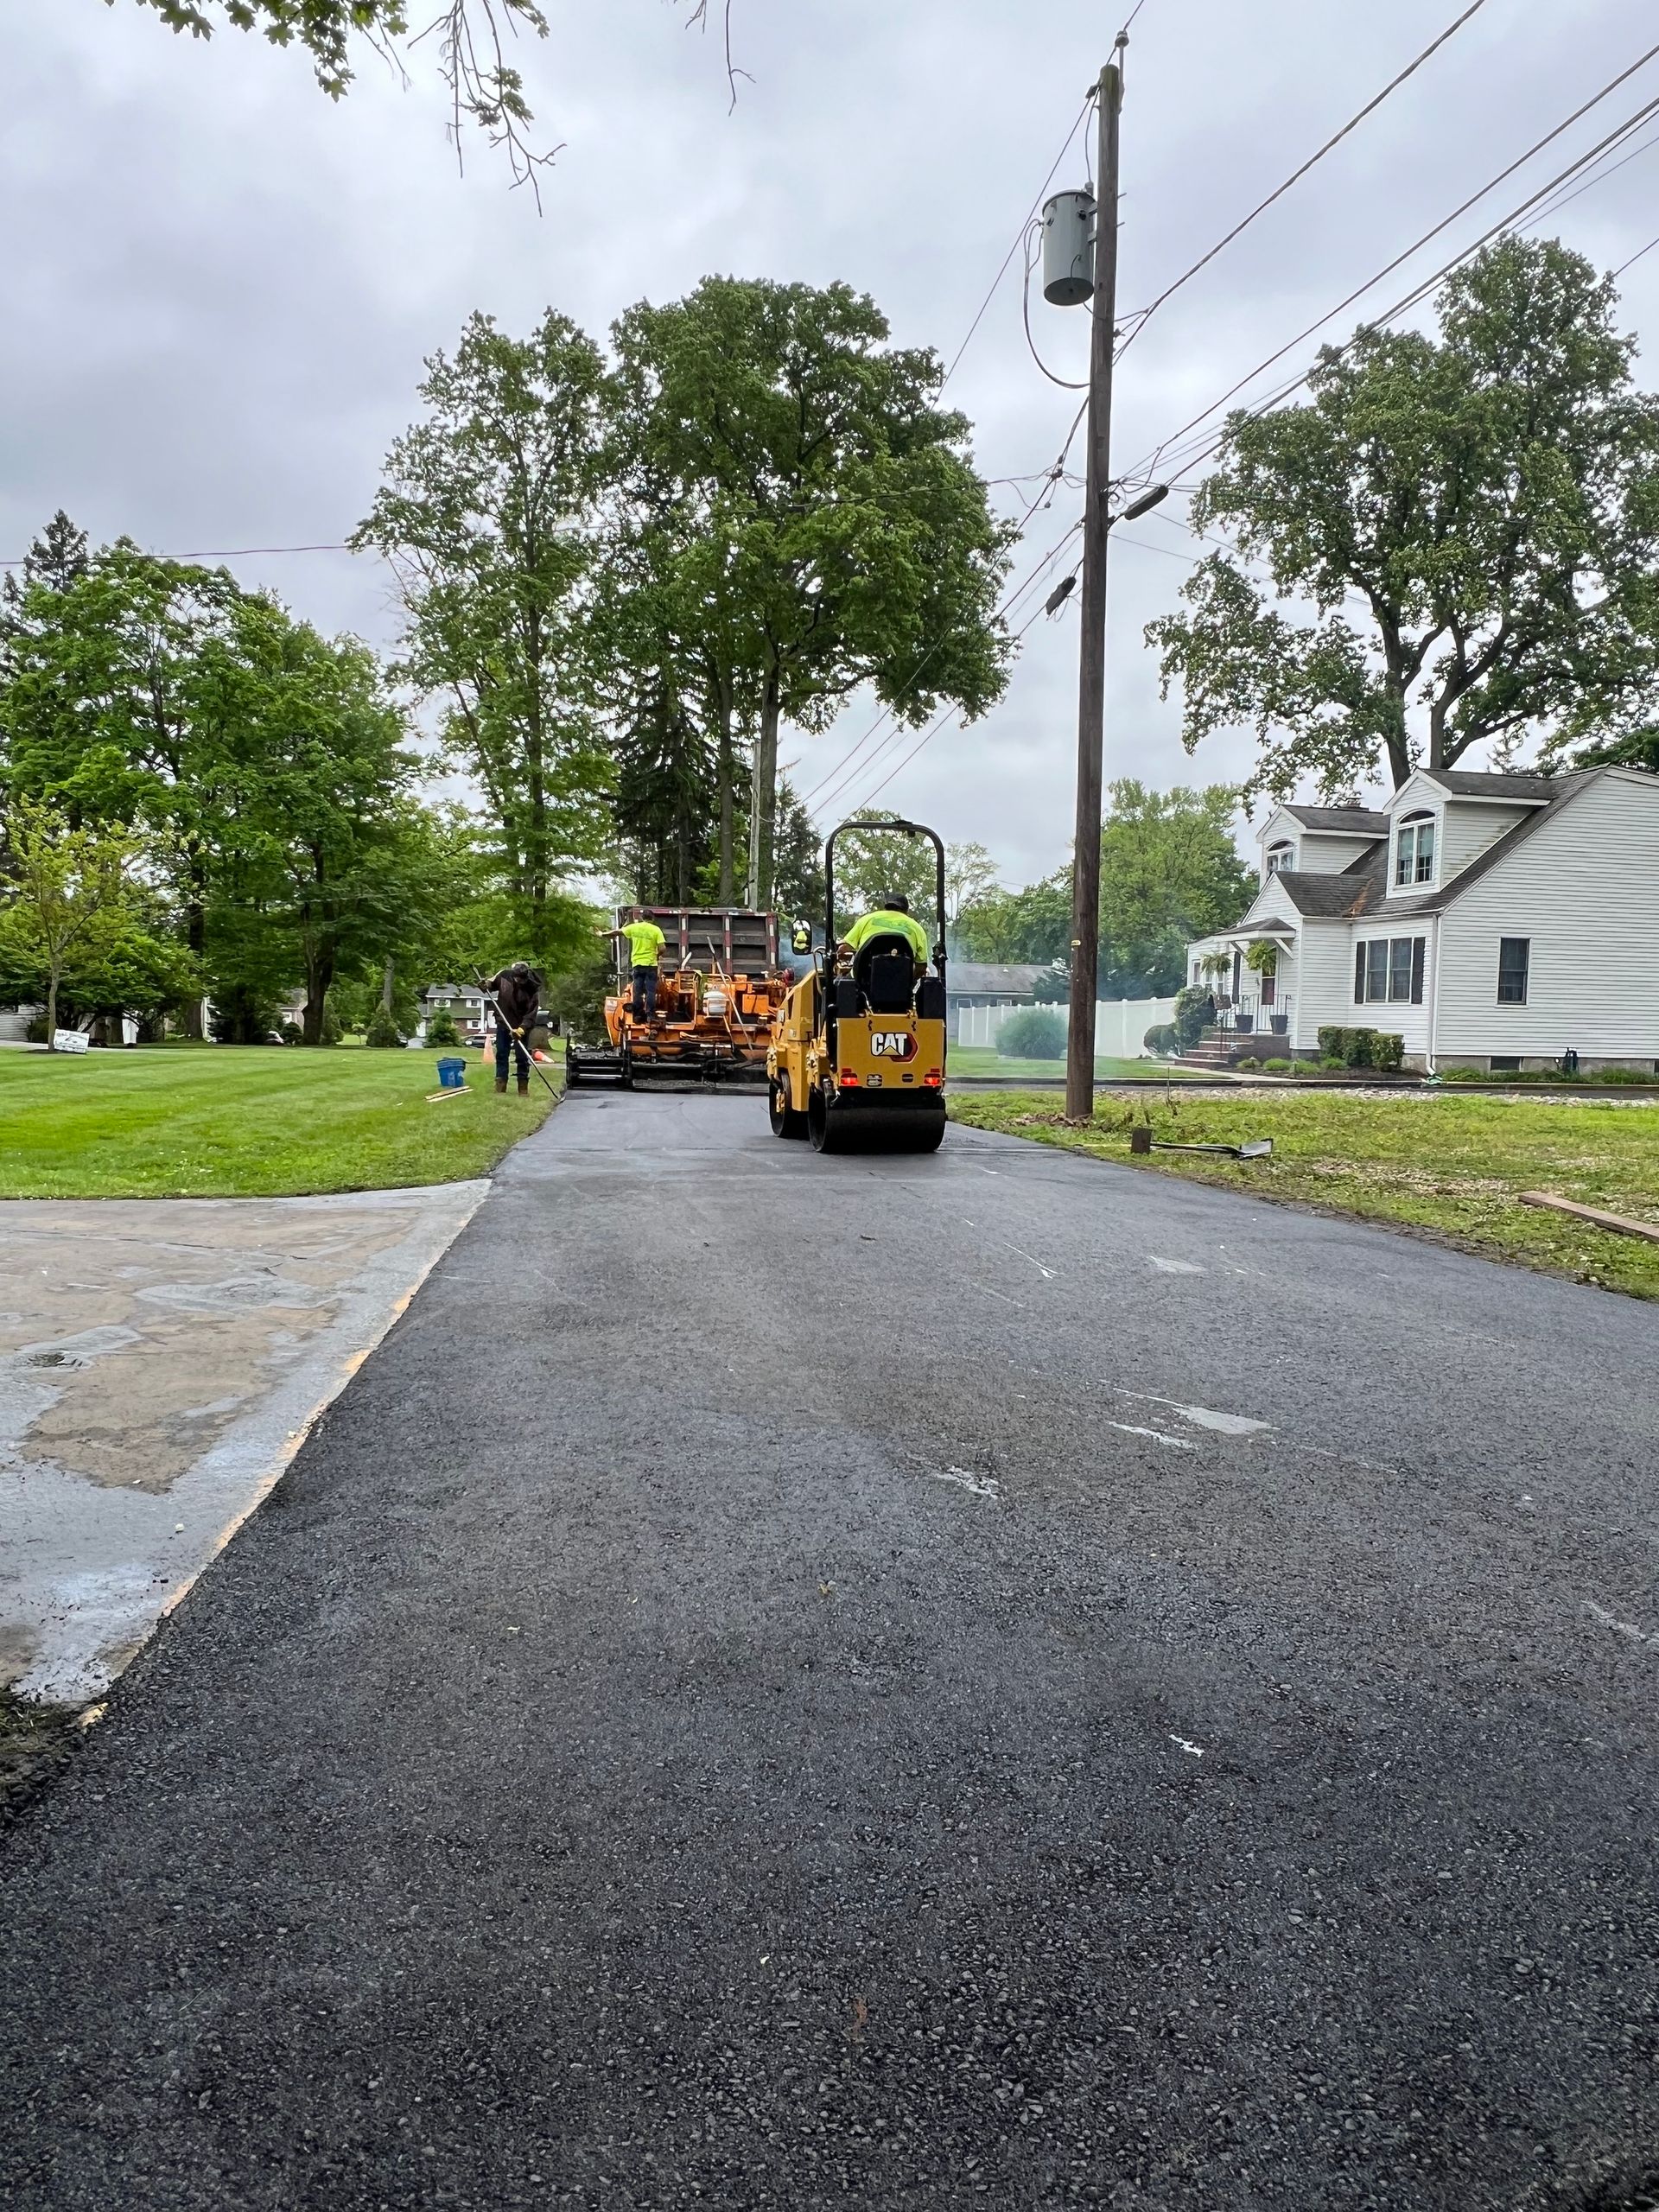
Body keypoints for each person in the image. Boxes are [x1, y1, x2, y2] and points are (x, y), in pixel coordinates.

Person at [600, 906, 668, 1023]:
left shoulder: (634, 928)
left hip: (637, 964)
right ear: (652, 918)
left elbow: (618, 932)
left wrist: (603, 934)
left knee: (638, 990)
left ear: (642, 918)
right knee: (651, 991)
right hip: (651, 965)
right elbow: (662, 948)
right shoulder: (656, 930)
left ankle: (637, 1015)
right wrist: (656, 955)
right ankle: (650, 1015)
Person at [485, 961, 542, 1095]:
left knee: (522, 1056)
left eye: (521, 979)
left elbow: (531, 1013)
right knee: (501, 1054)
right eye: (516, 977)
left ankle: (523, 1088)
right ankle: (500, 1086)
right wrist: (485, 985)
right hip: (504, 1022)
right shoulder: (504, 976)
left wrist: (522, 1029)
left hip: (521, 1026)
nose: (518, 981)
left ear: (526, 976)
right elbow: (491, 985)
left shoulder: (532, 989)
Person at [840, 893, 931, 967]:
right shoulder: (917, 928)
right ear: (906, 911)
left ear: (886, 907)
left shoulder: (866, 919)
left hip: (865, 982)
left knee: (840, 982)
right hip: (900, 983)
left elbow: (844, 948)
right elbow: (921, 967)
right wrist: (909, 982)